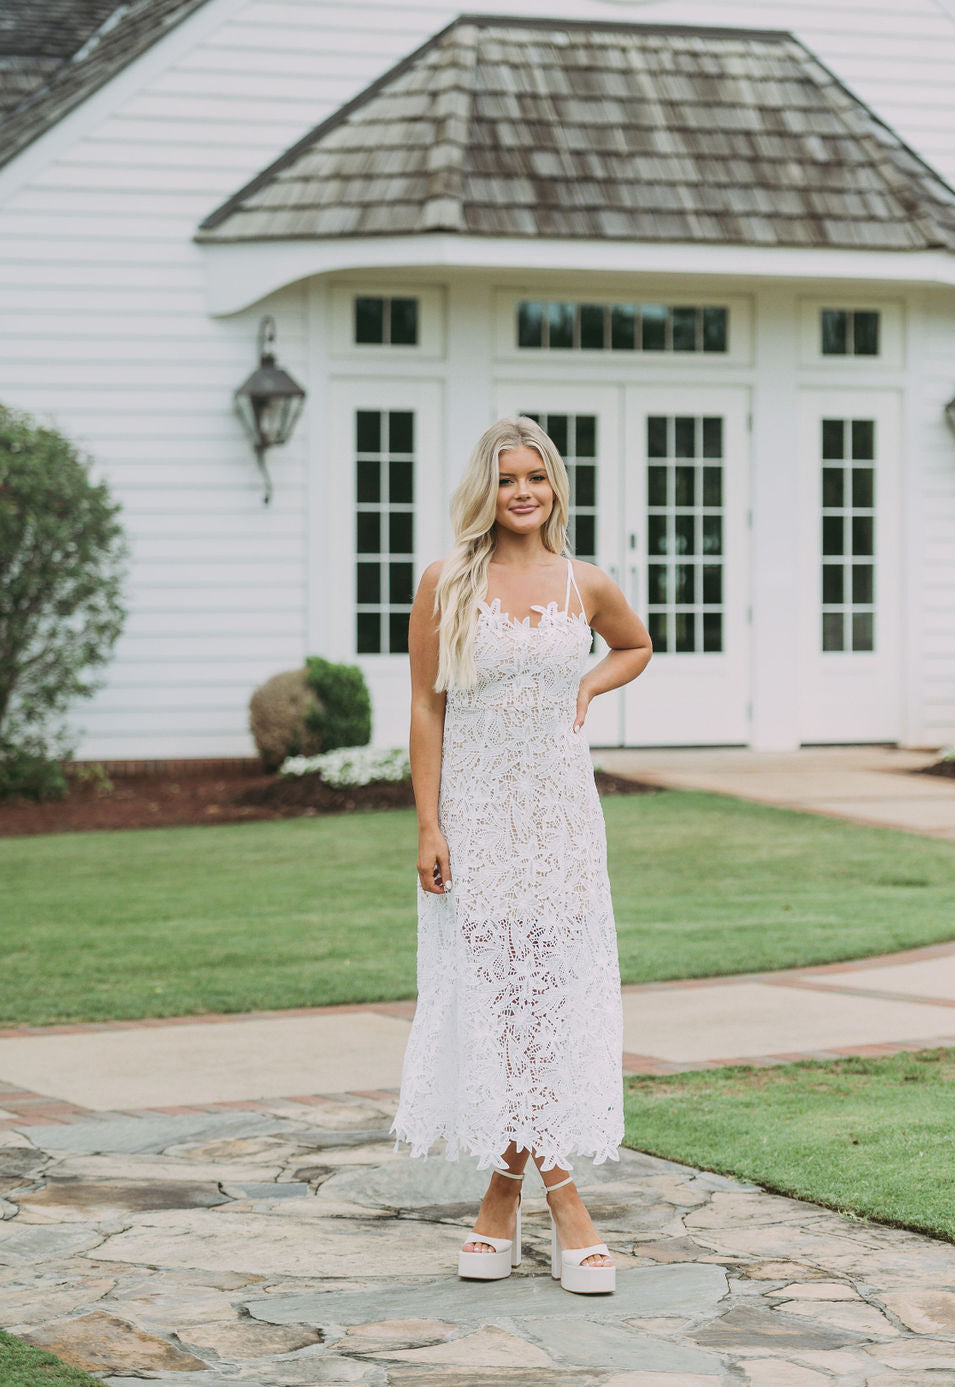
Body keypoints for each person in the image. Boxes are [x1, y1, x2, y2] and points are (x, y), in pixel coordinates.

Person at [389, 416, 652, 1294]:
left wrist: (587, 680)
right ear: (486, 490)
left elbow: (637, 644)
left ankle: (504, 1194)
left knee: (549, 1001)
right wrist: (429, 825)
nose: (524, 492)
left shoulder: (585, 582)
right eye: (508, 479)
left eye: (536, 476)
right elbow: (427, 710)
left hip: (561, 819)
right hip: (478, 817)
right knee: (500, 1000)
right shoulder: (446, 582)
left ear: (555, 485)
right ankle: (564, 1201)